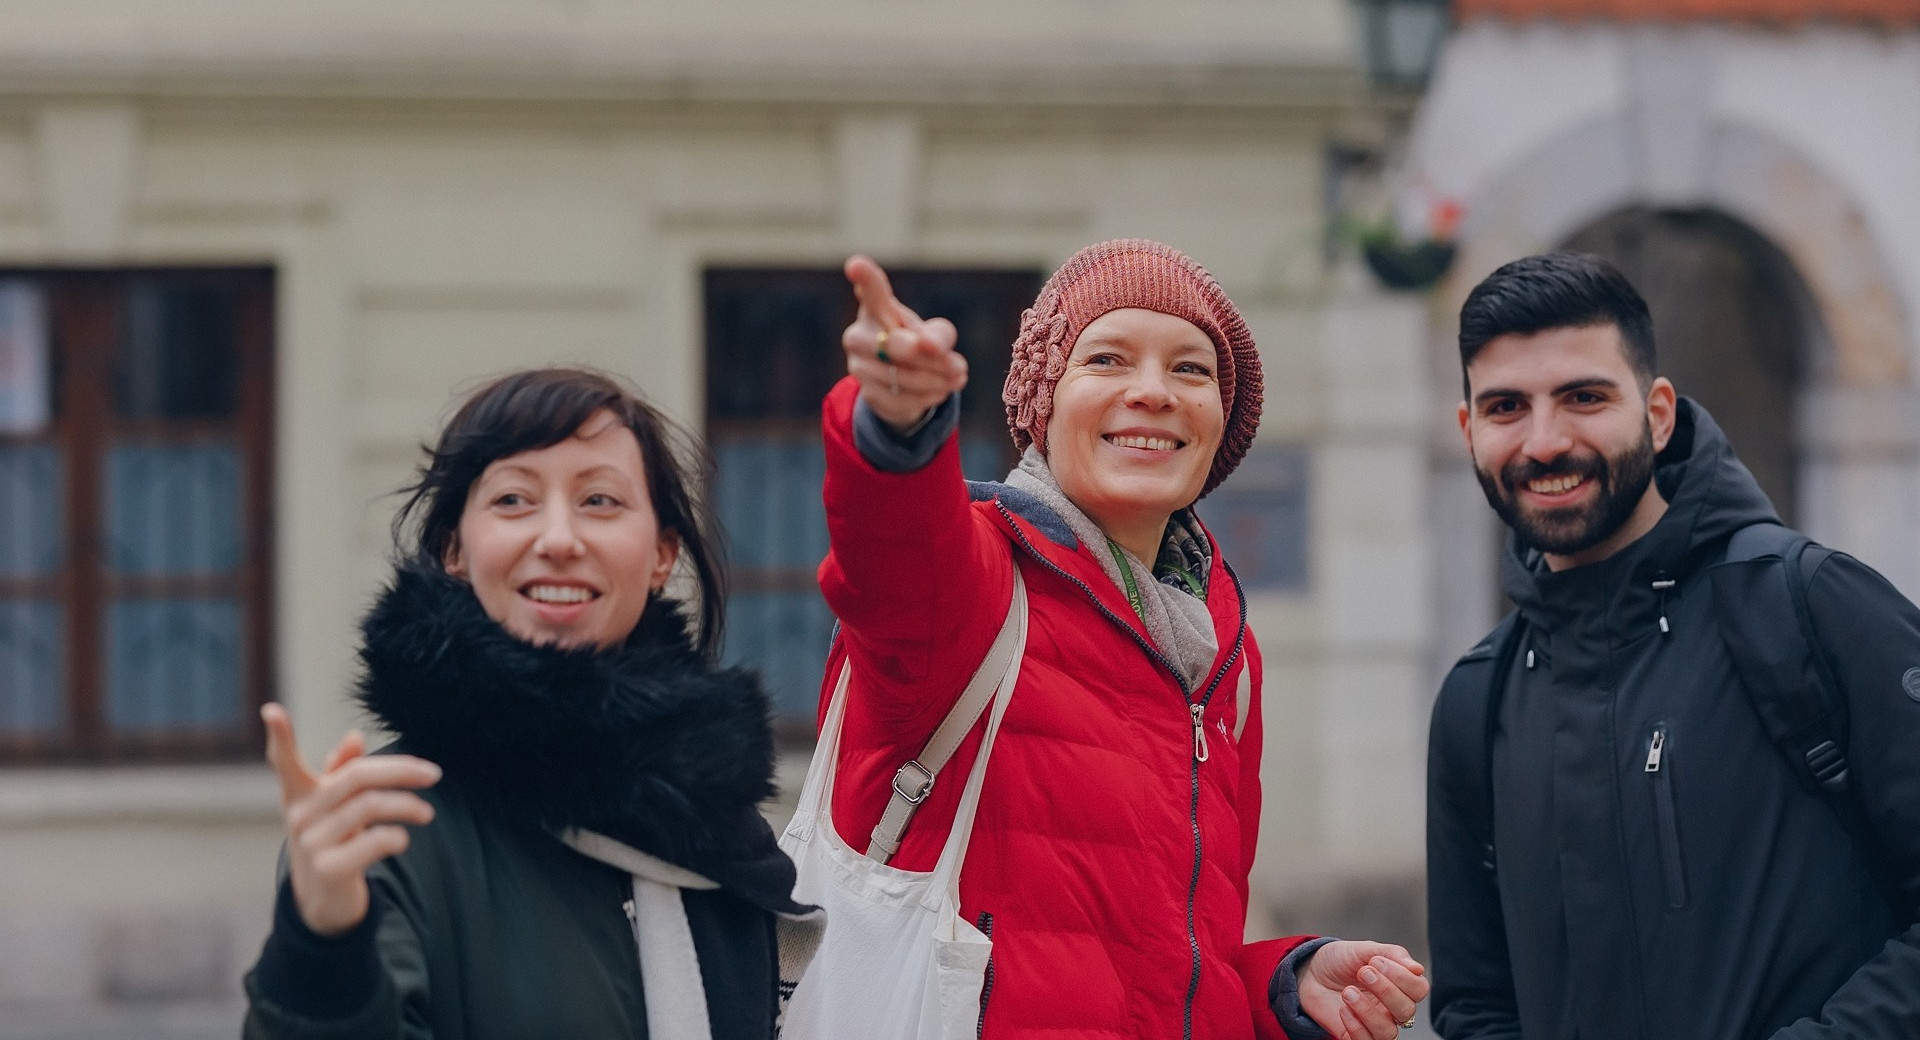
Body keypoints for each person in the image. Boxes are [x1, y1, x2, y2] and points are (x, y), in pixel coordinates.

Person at [815, 239, 1430, 1040]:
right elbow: (887, 542)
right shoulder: (971, 580)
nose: (1152, 393)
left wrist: (1280, 986)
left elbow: (1159, 963)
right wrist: (896, 428)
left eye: (1190, 370)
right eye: (1106, 359)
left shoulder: (1223, 655)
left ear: (1221, 422)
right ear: (1046, 399)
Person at [241, 368, 821, 1040]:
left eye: (599, 501)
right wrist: (321, 953)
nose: (558, 539)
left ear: (662, 554)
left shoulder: (714, 824)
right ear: (457, 550)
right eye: (513, 500)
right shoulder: (389, 827)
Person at [1427, 252, 1920, 1039]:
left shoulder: (1810, 607)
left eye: (1584, 397)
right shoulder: (1475, 699)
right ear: (1469, 430)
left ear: (1657, 413)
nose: (1545, 441)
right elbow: (1476, 1002)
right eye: (1506, 407)